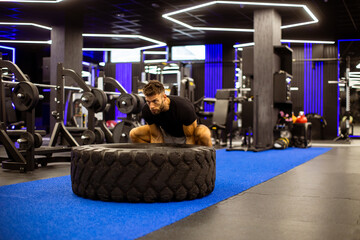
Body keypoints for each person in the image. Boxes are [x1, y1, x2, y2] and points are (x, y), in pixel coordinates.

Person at [129, 80, 212, 146]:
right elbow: (156, 136)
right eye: (148, 102)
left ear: (164, 97)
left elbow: (190, 138)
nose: (151, 106)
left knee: (204, 134)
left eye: (155, 101)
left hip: (187, 135)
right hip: (166, 134)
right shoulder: (147, 110)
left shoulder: (183, 107)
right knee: (134, 133)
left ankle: (209, 165)